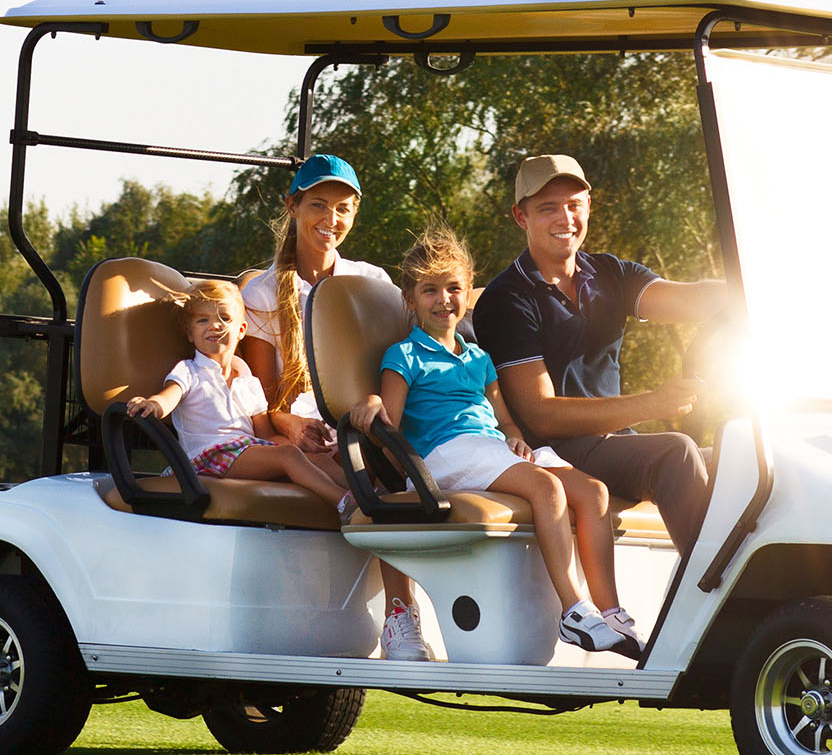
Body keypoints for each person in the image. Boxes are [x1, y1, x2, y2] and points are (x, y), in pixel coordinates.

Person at [349, 227, 641, 658]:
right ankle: (573, 610)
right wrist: (373, 403)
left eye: (453, 289)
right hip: (445, 452)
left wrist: (517, 440)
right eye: (430, 291)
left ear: (468, 293)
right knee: (547, 488)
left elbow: (504, 420)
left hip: (489, 448)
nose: (444, 300)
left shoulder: (478, 358)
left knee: (593, 492)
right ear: (411, 299)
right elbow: (388, 426)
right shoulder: (404, 355)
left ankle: (610, 612)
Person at [472, 154, 728, 554]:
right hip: (554, 452)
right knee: (676, 452)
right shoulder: (507, 299)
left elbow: (692, 300)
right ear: (521, 217)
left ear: (588, 206)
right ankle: (719, 598)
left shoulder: (610, 274)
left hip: (613, 444)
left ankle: (789, 600)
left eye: (574, 205)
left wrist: (746, 289)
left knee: (741, 457)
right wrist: (652, 404)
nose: (565, 218)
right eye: (547, 209)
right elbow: (542, 414)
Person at [237, 153, 432, 662]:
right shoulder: (260, 291)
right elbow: (265, 401)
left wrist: (372, 402)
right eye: (319, 205)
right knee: (377, 481)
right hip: (293, 433)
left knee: (407, 469)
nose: (331, 220)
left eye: (343, 208)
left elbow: (394, 365)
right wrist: (294, 425)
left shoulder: (372, 282)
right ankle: (398, 616)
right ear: (293, 206)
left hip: (361, 423)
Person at [124, 279, 351, 510]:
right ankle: (345, 504)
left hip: (246, 452)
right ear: (190, 334)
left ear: (241, 330)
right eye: (203, 320)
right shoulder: (189, 370)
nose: (215, 326)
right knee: (289, 456)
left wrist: (302, 450)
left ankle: (368, 497)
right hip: (207, 458)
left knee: (314, 458)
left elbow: (266, 435)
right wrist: (152, 404)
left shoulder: (247, 380)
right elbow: (169, 396)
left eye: (225, 318)